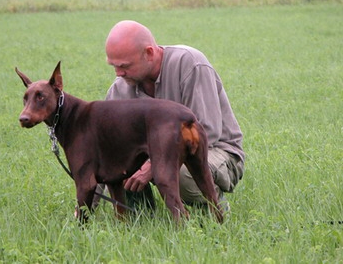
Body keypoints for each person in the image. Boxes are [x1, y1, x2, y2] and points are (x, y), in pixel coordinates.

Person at [102, 20, 244, 213]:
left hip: (216, 150)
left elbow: (207, 131)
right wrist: (85, 207)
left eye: (125, 66)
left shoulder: (190, 64)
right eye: (114, 66)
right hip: (160, 154)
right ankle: (141, 216)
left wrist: (154, 164)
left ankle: (213, 208)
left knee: (180, 174)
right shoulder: (120, 88)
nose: (118, 74)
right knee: (120, 158)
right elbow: (104, 150)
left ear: (149, 53)